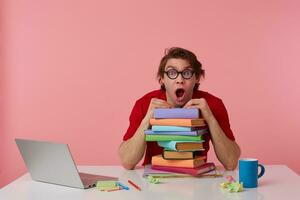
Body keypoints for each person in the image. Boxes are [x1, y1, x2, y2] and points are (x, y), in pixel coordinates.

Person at [118, 47, 240, 170]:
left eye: (187, 73)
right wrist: (147, 119)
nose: (180, 80)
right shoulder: (145, 104)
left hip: (196, 180)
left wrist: (210, 118)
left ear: (196, 78)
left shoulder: (213, 105)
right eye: (172, 73)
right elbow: (128, 161)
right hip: (154, 180)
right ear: (162, 79)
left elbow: (231, 163)